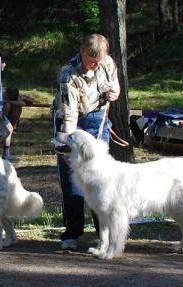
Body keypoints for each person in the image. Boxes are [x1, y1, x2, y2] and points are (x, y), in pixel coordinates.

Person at [52, 34, 120, 251]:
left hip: (98, 120)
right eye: (92, 60)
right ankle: (72, 233)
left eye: (99, 59)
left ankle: (105, 234)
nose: (96, 64)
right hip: (71, 123)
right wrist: (69, 151)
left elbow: (115, 85)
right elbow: (69, 119)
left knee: (102, 177)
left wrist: (114, 93)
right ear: (82, 51)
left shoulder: (106, 62)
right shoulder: (68, 75)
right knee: (73, 180)